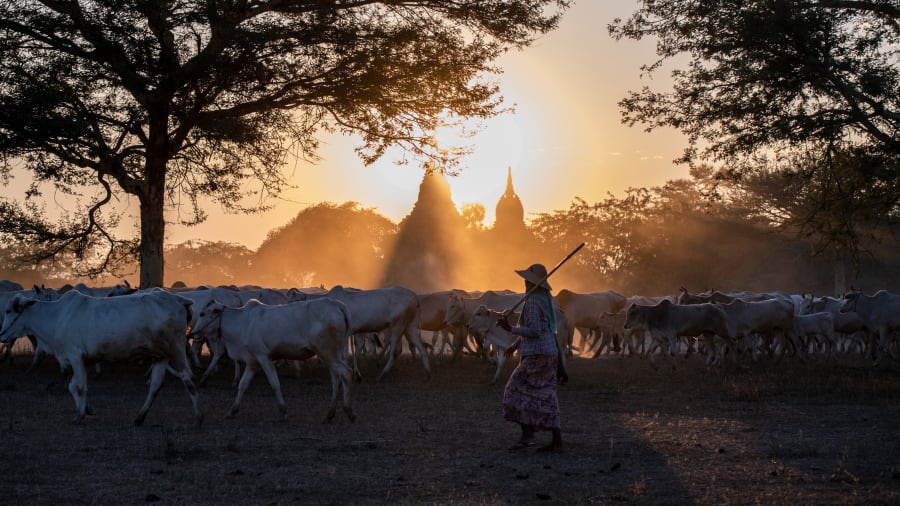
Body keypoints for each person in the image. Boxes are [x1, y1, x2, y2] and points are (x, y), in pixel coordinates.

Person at [497, 263, 564, 452]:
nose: (525, 282)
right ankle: (556, 439)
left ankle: (528, 435)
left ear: (532, 282)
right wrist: (514, 345)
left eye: (528, 279)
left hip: (537, 355)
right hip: (549, 352)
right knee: (546, 393)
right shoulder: (545, 299)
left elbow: (534, 331)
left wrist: (509, 328)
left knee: (513, 390)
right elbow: (543, 329)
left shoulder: (533, 302)